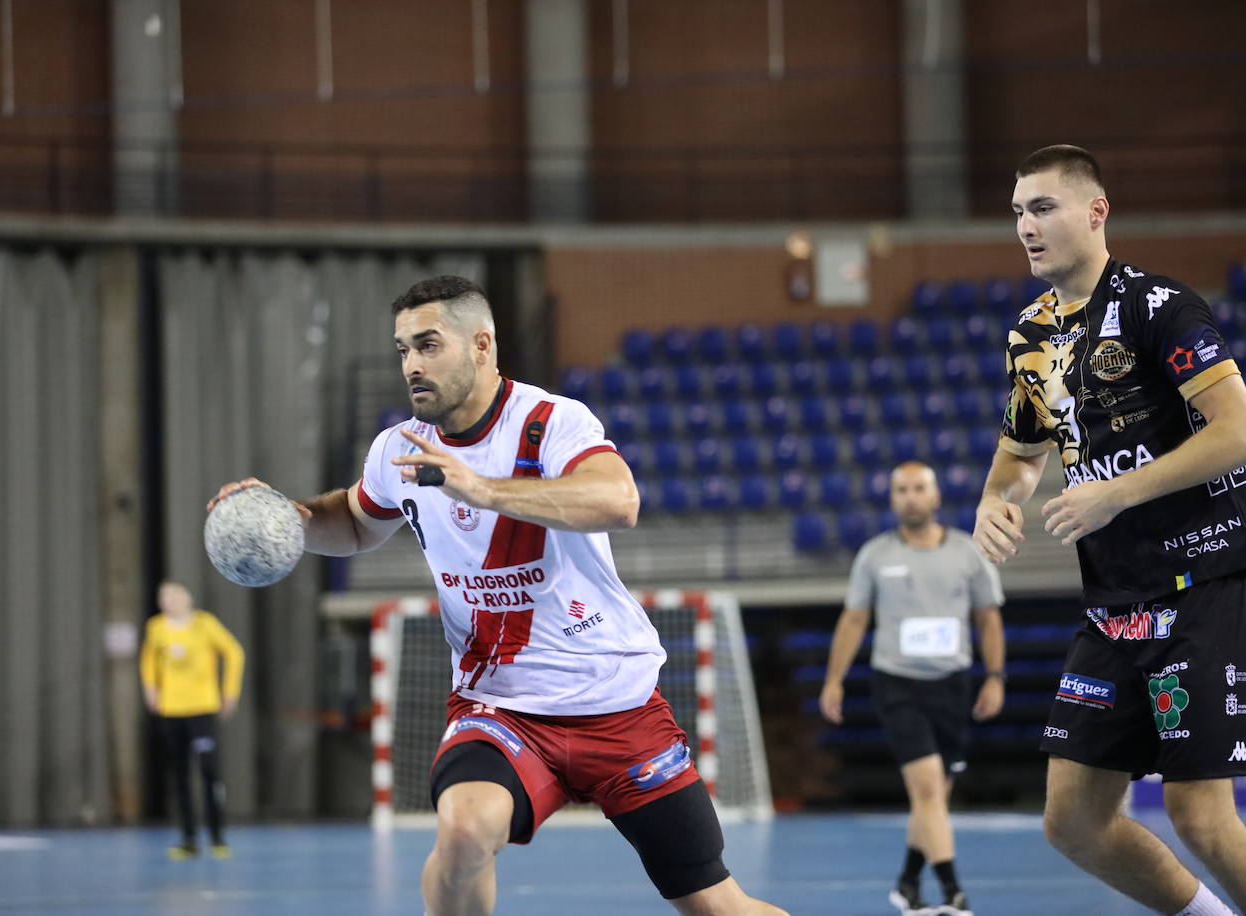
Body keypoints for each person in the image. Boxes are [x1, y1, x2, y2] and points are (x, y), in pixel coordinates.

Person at [208, 276, 788, 916]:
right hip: (500, 707)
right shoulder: (399, 449)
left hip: (616, 704)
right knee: (462, 831)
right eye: (402, 350)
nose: (412, 365)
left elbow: (618, 503)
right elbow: (352, 521)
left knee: (717, 906)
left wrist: (483, 488)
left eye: (428, 345)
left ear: (481, 344)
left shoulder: (551, 423)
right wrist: (282, 519)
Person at [973, 144, 1246, 916]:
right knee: (1074, 823)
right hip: (1116, 603)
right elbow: (1021, 452)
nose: (1026, 225)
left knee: (1201, 817)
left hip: (1204, 587)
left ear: (1097, 212)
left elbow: (1242, 434)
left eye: (1043, 207)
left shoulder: (1162, 308)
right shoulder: (1030, 333)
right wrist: (997, 499)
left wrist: (1116, 493)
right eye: (1018, 211)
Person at [820, 461, 1005, 916]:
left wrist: (996, 677)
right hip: (897, 684)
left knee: (934, 800)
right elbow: (855, 619)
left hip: (953, 685)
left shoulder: (968, 553)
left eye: (919, 488)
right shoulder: (874, 556)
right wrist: (834, 681)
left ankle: (906, 882)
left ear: (936, 496)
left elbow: (988, 618)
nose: (911, 497)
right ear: (892, 499)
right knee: (926, 791)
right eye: (901, 489)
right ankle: (952, 891)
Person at [139, 580, 245, 860]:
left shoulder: (205, 624)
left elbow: (234, 653)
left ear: (188, 598)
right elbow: (148, 661)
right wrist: (151, 689)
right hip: (172, 710)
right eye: (164, 596)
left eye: (174, 595)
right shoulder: (156, 628)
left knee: (209, 772)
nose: (169, 601)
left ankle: (217, 836)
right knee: (180, 776)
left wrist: (230, 692)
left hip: (202, 709)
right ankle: (188, 838)